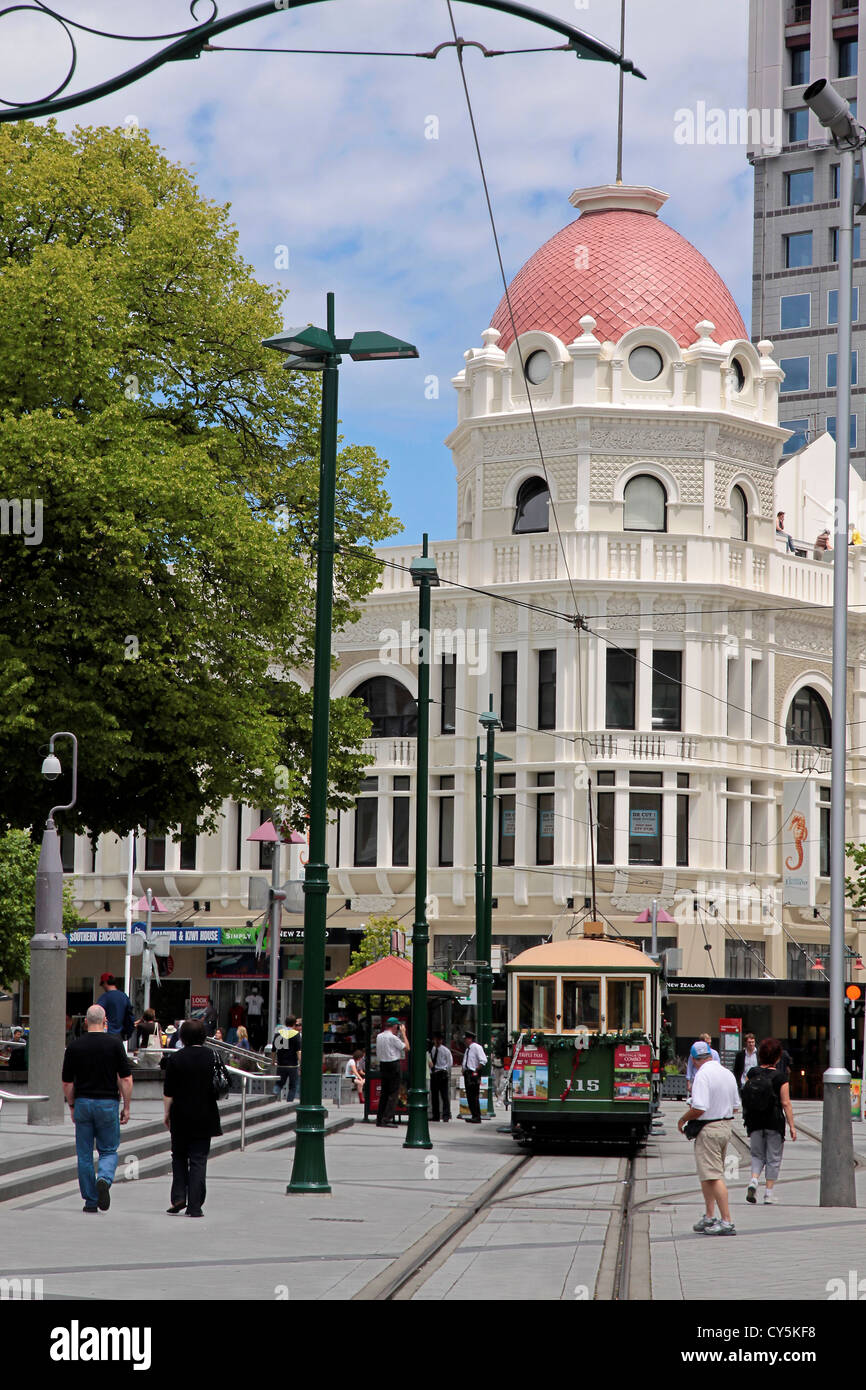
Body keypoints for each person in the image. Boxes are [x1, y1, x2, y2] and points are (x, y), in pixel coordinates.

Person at [61, 1003, 133, 1214]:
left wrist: (72, 1105)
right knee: (108, 1149)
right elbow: (126, 1079)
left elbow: (67, 1083)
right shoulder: (115, 1044)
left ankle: (90, 1201)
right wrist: (127, 1107)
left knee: (84, 1154)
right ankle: (104, 1177)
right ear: (105, 1022)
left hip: (83, 1102)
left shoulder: (74, 1046)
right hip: (107, 1103)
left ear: (85, 1022)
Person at [677, 1040, 741, 1236]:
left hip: (709, 1129)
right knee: (708, 1174)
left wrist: (682, 1120)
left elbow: (699, 1108)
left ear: (694, 1060)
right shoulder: (726, 1073)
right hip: (725, 1128)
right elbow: (736, 1106)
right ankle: (709, 1216)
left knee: (714, 1176)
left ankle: (726, 1220)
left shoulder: (702, 1076)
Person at [162, 1018, 222, 1218]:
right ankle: (195, 1205)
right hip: (205, 1114)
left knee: (178, 1156)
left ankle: (179, 1195)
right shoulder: (212, 1056)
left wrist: (166, 1113)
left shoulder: (176, 1059)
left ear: (182, 1037)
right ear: (203, 1036)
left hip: (180, 1114)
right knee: (198, 1159)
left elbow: (168, 1091)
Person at [742, 1037, 797, 1205]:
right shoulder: (780, 1077)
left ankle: (753, 1180)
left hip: (754, 1121)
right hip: (774, 1122)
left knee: (757, 1155)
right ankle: (768, 1193)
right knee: (773, 1158)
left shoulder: (752, 1073)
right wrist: (792, 1126)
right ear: (778, 1057)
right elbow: (785, 1103)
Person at [375, 1017, 408, 1127]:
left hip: (383, 1065)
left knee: (384, 1093)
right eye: (398, 1027)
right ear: (394, 1026)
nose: (398, 1029)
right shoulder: (393, 1038)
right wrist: (403, 1033)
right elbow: (407, 1048)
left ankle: (380, 1118)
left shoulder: (379, 1036)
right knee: (393, 1093)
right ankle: (387, 1118)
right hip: (393, 1064)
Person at [95, 975, 135, 1042]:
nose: (102, 987)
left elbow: (96, 1013)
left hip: (106, 1034)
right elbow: (130, 1017)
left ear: (105, 983)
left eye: (102, 984)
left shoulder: (104, 998)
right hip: (119, 1035)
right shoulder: (124, 997)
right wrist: (128, 1033)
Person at [272, 1016, 301, 1101]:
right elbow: (298, 1051)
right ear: (294, 1023)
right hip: (292, 1065)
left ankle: (273, 1095)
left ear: (285, 1023)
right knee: (293, 1086)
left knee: (279, 1083)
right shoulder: (296, 1034)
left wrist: (273, 1061)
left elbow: (274, 1050)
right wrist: (301, 1063)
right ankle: (289, 1102)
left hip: (281, 1064)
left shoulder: (278, 1033)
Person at [462, 1028, 488, 1124]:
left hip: (473, 1073)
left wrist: (477, 1069)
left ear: (470, 1039)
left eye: (466, 1039)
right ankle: (474, 1115)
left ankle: (477, 1116)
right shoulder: (468, 1049)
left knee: (473, 1095)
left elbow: (483, 1060)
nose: (465, 1041)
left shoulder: (476, 1047)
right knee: (469, 1095)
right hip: (467, 1073)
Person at [429, 1032, 453, 1123]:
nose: (437, 1041)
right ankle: (436, 1115)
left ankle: (446, 1115)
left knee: (444, 1096)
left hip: (442, 1072)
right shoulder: (432, 1050)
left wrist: (446, 1070)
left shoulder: (445, 1050)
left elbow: (449, 1062)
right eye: (436, 1039)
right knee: (434, 1096)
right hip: (434, 1073)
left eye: (439, 1040)